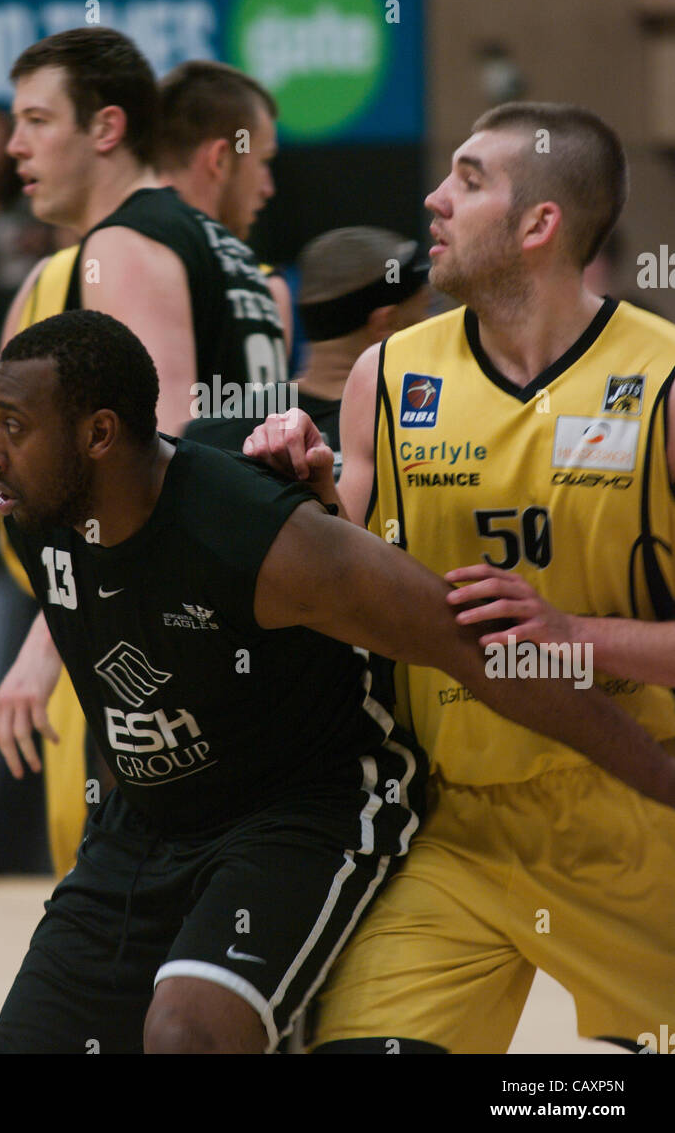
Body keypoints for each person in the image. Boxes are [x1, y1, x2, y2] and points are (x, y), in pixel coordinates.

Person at [0, 308, 675, 1054]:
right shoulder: (41, 513)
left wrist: (659, 776)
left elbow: (475, 651)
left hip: (300, 811)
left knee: (187, 1033)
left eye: (12, 426)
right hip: (146, 829)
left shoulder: (258, 535)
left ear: (98, 435)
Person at [243, 101, 675, 1054]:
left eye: (469, 180)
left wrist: (574, 635)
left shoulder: (663, 382)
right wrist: (305, 498)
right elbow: (349, 589)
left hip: (643, 815)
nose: (433, 200)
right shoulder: (388, 379)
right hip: (459, 827)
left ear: (538, 226)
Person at [0, 28, 290, 881]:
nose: (13, 146)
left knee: (115, 946)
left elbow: (166, 461)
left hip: (145, 648)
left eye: (36, 120)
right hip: (249, 640)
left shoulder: (110, 256)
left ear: (106, 129)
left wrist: (47, 638)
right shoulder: (240, 264)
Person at [185, 225, 430, 461]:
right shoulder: (417, 427)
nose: (432, 324)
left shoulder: (214, 438)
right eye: (426, 311)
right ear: (384, 324)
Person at [156, 59, 292, 352]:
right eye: (263, 162)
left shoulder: (57, 273)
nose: (268, 189)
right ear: (219, 160)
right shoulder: (263, 289)